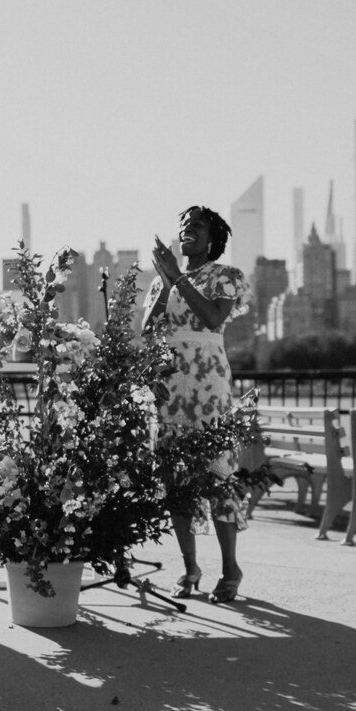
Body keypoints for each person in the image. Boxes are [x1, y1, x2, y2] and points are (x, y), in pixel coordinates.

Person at [143, 205, 252, 604]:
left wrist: (177, 278)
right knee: (176, 480)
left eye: (197, 227)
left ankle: (230, 568)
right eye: (184, 226)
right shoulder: (163, 281)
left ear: (212, 239)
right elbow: (149, 329)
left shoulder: (226, 276)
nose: (188, 231)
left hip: (208, 383)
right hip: (171, 385)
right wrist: (166, 282)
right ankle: (189, 566)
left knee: (216, 474)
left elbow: (210, 318)